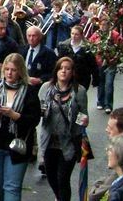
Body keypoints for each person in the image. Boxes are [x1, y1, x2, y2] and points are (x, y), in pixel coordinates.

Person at [0, 53, 41, 201]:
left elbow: (34, 120)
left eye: (13, 70)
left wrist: (14, 115)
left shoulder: (29, 91)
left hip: (17, 147)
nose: (9, 73)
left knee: (12, 188)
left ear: (20, 71)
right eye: (6, 69)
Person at [38, 57, 88, 201]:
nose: (64, 71)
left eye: (67, 68)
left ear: (72, 72)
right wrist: (41, 111)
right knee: (52, 177)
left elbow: (83, 113)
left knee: (63, 179)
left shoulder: (79, 91)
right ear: (56, 71)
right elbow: (38, 109)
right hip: (49, 140)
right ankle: (59, 198)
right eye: (61, 68)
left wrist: (81, 122)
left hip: (69, 141)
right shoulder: (46, 88)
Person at [90, 18, 123, 114]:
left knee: (109, 84)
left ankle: (108, 104)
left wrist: (115, 58)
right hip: (99, 62)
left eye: (105, 24)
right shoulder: (96, 34)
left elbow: (121, 47)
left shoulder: (115, 35)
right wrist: (96, 45)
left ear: (109, 25)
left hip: (110, 62)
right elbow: (90, 45)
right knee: (101, 83)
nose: (103, 26)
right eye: (101, 24)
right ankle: (100, 101)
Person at [55, 25, 98, 90]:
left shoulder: (87, 47)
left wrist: (95, 79)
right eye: (72, 34)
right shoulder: (64, 45)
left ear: (81, 35)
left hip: (83, 78)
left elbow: (93, 64)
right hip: (67, 77)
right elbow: (59, 62)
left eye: (76, 34)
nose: (73, 36)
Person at [19, 26, 56, 92]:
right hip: (22, 88)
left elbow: (53, 72)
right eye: (29, 36)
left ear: (40, 37)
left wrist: (40, 80)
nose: (31, 38)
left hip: (39, 89)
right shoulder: (22, 50)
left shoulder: (49, 53)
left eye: (34, 36)